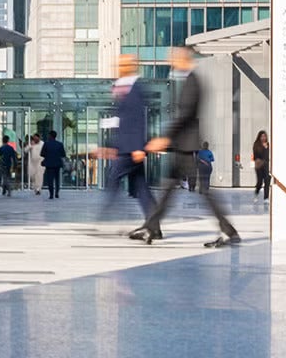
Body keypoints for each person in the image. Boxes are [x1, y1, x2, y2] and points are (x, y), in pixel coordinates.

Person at [137, 46, 241, 248]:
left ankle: (229, 231)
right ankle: (151, 226)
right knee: (169, 189)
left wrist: (165, 138)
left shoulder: (193, 81)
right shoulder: (189, 80)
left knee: (202, 190)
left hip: (186, 144)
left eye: (173, 57)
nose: (170, 61)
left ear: (183, 57)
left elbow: (185, 116)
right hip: (183, 144)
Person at [102, 53, 156, 233]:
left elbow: (138, 119)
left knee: (113, 179)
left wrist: (138, 147)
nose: (120, 66)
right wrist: (112, 145)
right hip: (126, 147)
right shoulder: (124, 88)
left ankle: (106, 220)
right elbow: (121, 119)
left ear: (131, 66)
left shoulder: (136, 88)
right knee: (141, 187)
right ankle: (154, 226)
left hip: (131, 148)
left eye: (123, 64)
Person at [40, 128, 66, 199]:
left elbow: (42, 154)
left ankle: (51, 194)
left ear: (50, 136)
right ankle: (57, 192)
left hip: (49, 164)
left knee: (50, 180)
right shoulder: (60, 144)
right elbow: (63, 154)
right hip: (57, 164)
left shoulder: (46, 144)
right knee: (57, 179)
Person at [252, 130, 272, 202]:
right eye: (262, 136)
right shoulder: (256, 144)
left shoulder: (268, 145)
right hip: (259, 166)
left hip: (266, 165)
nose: (263, 138)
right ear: (259, 137)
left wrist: (266, 147)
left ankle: (266, 197)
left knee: (267, 180)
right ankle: (256, 193)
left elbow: (268, 156)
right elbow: (255, 156)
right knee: (260, 181)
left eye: (265, 136)